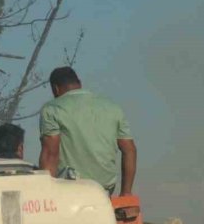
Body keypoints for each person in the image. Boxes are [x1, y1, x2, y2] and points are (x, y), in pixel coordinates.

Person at [39, 66, 137, 196]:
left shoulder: (52, 109)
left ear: (55, 89)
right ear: (79, 83)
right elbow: (129, 150)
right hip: (105, 190)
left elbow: (50, 154)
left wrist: (44, 195)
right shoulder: (113, 107)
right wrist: (126, 193)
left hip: (71, 190)